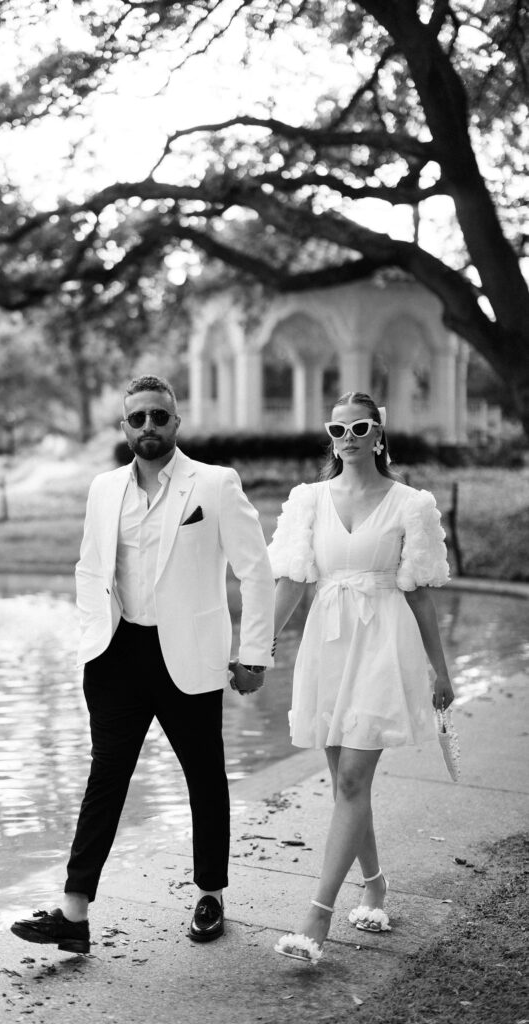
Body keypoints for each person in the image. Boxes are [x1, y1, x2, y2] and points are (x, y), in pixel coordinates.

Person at [11, 374, 275, 954]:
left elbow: (256, 572)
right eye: (138, 418)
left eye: (160, 415)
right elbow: (88, 570)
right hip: (117, 655)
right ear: (124, 427)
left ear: (176, 423)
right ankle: (74, 912)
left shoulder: (215, 483)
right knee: (105, 778)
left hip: (189, 656)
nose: (149, 426)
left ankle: (210, 895)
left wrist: (255, 655)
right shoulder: (103, 489)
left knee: (204, 777)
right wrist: (90, 642)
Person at [267, 390, 455, 965]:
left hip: (382, 642)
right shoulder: (307, 501)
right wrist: (259, 645)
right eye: (337, 429)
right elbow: (294, 581)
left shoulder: (411, 505)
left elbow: (419, 594)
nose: (347, 439)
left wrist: (440, 671)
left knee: (352, 778)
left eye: (359, 428)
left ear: (380, 434)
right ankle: (375, 887)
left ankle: (316, 921)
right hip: (327, 645)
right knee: (346, 780)